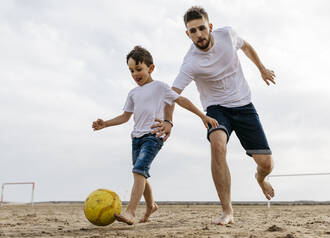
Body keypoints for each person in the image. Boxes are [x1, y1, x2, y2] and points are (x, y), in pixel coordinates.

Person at [152, 6, 276, 225]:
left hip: (244, 104)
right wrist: (168, 121)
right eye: (193, 31)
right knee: (217, 145)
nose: (198, 34)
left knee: (266, 164)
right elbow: (171, 94)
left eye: (201, 28)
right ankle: (227, 211)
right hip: (216, 109)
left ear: (210, 27)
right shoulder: (190, 62)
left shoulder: (227, 35)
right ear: (187, 34)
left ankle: (260, 177)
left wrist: (262, 69)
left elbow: (246, 47)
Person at [92, 46, 218, 225]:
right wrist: (105, 124)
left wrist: (202, 116)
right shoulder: (133, 93)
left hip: (153, 136)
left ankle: (130, 212)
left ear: (150, 68)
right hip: (136, 138)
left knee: (138, 170)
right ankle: (151, 205)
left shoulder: (160, 87)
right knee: (140, 173)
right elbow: (125, 117)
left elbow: (181, 100)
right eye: (131, 71)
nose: (135, 74)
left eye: (138, 69)